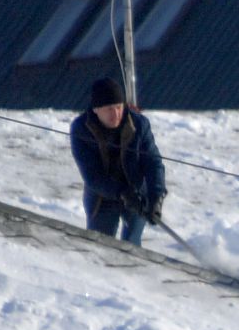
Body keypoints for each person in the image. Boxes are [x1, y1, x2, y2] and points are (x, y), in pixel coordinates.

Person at [69, 77, 167, 244]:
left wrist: (156, 197)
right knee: (99, 245)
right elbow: (92, 175)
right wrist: (121, 192)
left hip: (137, 193)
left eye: (119, 107)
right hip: (102, 196)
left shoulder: (139, 124)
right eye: (109, 109)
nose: (115, 114)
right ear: (96, 109)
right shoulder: (81, 129)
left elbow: (153, 162)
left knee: (132, 246)